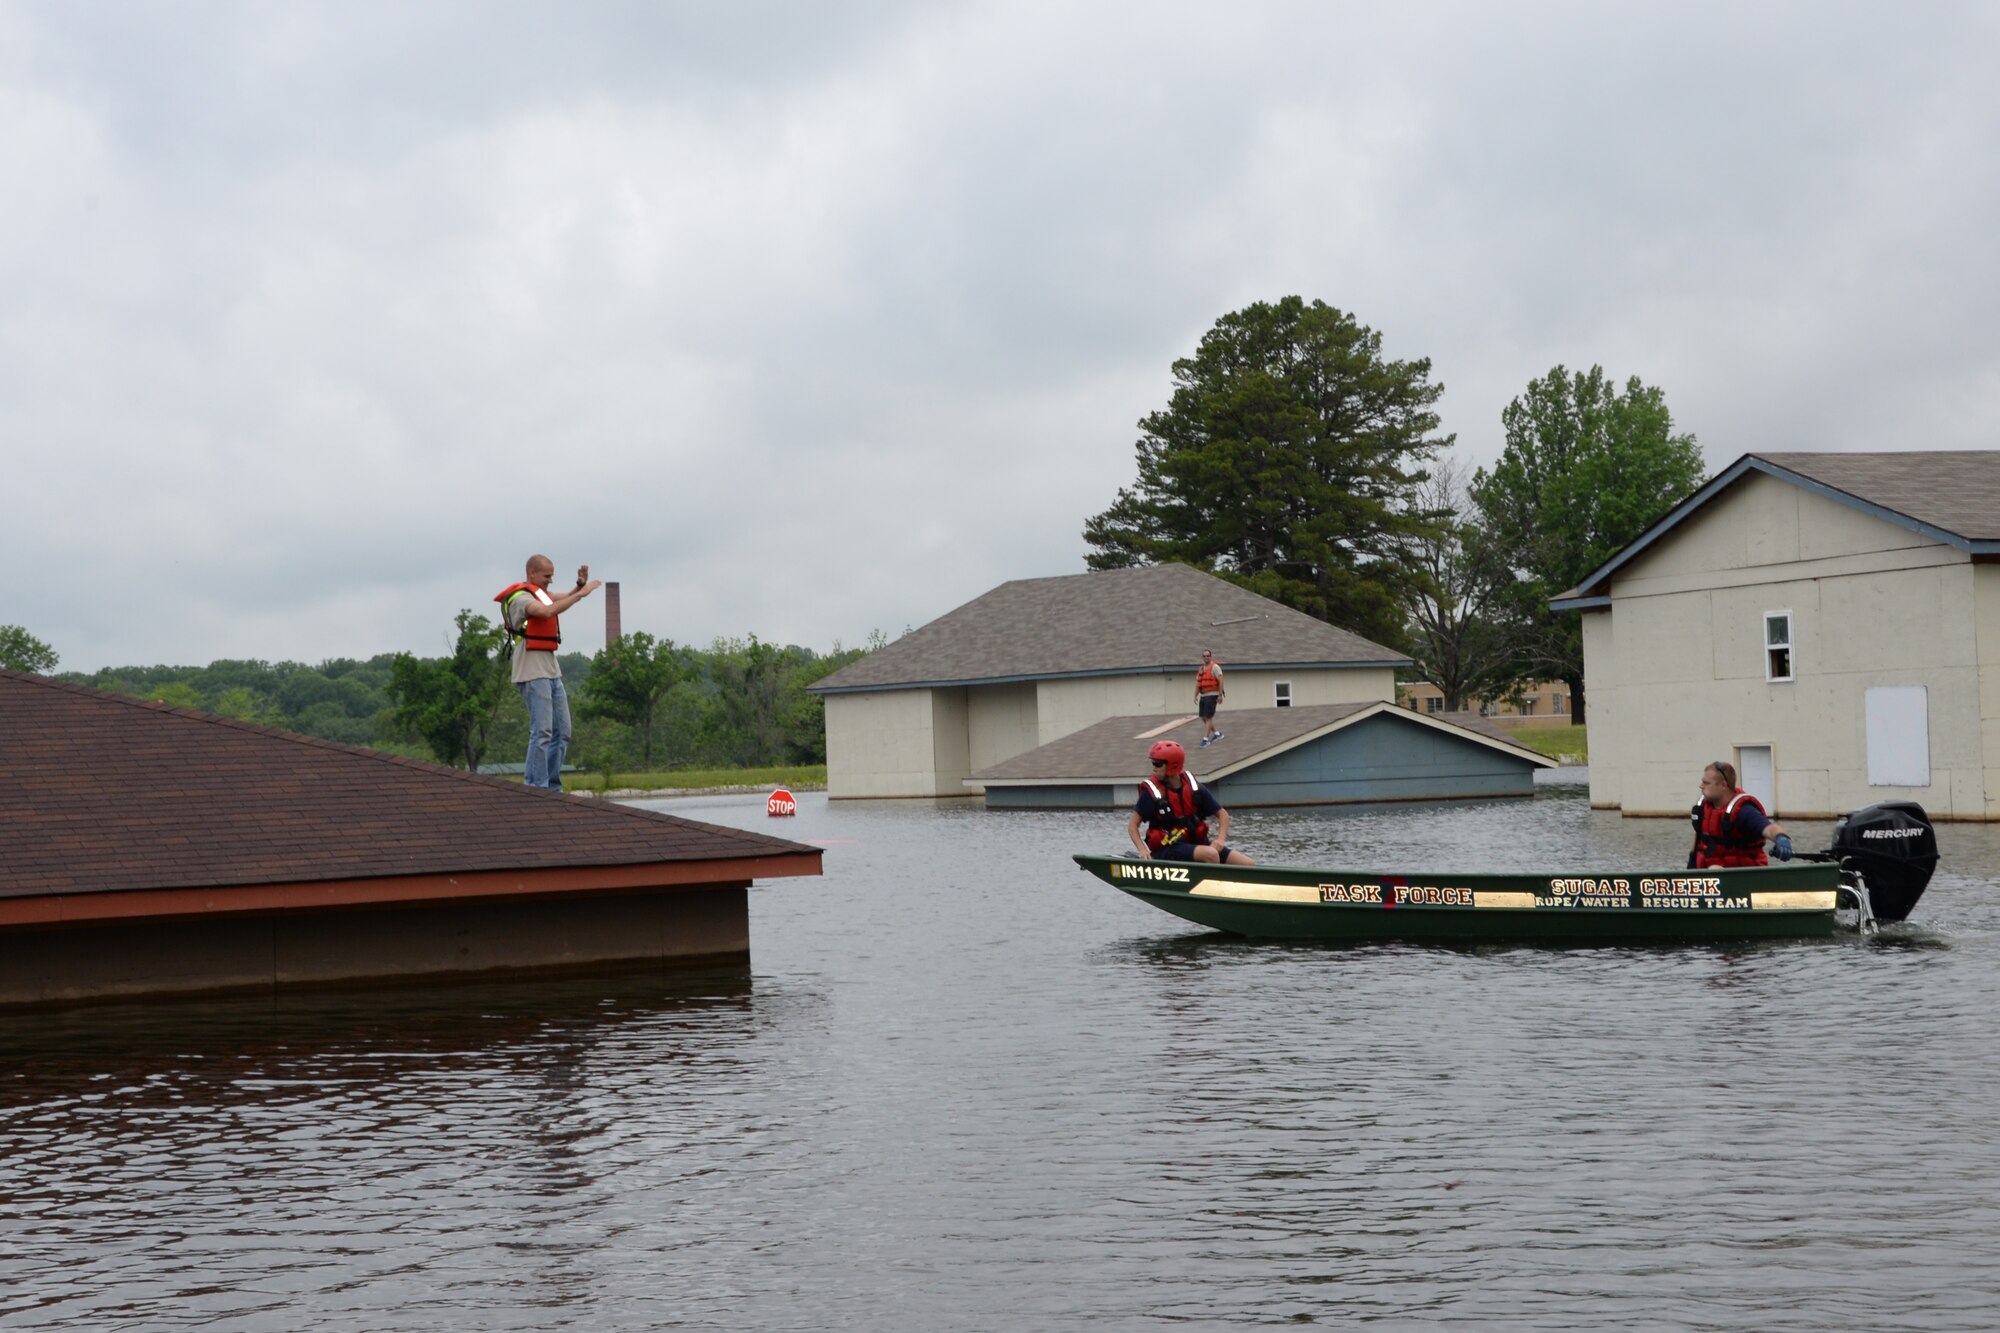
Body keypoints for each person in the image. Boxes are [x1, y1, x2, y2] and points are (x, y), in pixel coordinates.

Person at [494, 555, 601, 790]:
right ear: (532, 574)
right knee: (542, 731)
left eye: (552, 576)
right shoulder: (520, 599)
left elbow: (561, 599)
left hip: (552, 671)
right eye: (546, 576)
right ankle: (535, 786)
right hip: (531, 673)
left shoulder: (541, 595)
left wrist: (579, 588)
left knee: (562, 731)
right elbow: (545, 611)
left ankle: (553, 785)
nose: (550, 581)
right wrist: (579, 595)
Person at [1127, 740, 1256, 865]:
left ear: (1172, 764)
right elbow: (1133, 826)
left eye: (1158, 764)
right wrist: (1142, 850)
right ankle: (1211, 885)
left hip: (1197, 845)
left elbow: (1222, 814)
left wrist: (1220, 840)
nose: (1154, 768)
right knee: (1210, 854)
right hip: (1168, 848)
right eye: (1153, 763)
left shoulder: (1193, 787)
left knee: (1248, 864)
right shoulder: (1151, 793)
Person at [1689, 759, 1792, 868]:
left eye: (1706, 783)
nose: (1701, 786)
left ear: (1723, 785)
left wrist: (1781, 837)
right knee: (1712, 869)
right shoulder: (1702, 808)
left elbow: (1769, 828)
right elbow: (1699, 841)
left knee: (1714, 868)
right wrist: (1690, 870)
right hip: (1708, 878)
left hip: (1743, 875)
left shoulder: (1744, 811)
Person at [1195, 649, 1226, 746]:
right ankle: (1217, 734)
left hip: (1212, 694)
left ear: (1211, 656)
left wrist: (1220, 695)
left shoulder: (1215, 667)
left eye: (1208, 655)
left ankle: (1205, 739)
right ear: (1202, 658)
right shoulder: (1201, 669)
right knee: (1203, 717)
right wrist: (1195, 695)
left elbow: (1221, 680)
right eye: (1204, 656)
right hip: (1203, 695)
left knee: (1208, 717)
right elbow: (1198, 684)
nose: (1206, 657)